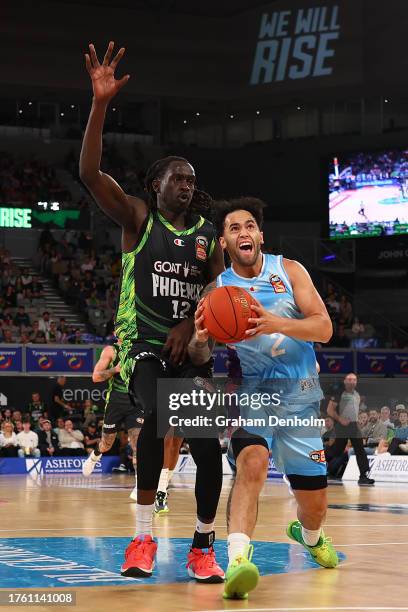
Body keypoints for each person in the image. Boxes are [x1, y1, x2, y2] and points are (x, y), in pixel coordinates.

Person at [80, 41, 225, 582]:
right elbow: (91, 173)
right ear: (155, 184)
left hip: (191, 351)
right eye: (178, 178)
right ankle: (141, 539)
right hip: (142, 343)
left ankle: (202, 547)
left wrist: (194, 322)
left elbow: (215, 299)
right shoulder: (138, 219)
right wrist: (99, 105)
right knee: (158, 420)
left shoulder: (209, 237)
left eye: (192, 180)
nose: (188, 186)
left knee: (208, 452)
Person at [193, 197, 338, 600]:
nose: (244, 232)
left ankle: (309, 534)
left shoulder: (289, 270)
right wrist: (201, 339)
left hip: (301, 395)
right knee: (251, 464)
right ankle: (239, 559)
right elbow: (199, 355)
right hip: (252, 394)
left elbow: (324, 328)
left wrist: (277, 323)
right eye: (234, 228)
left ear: (260, 235)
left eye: (250, 226)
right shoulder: (216, 290)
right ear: (223, 242)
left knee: (315, 505)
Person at [82, 342, 143, 504]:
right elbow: (95, 376)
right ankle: (95, 456)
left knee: (138, 444)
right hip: (116, 402)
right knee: (106, 444)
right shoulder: (111, 350)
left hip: (136, 403)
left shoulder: (141, 347)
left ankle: (140, 485)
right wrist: (114, 370)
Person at [327, 373, 375, 485]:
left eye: (354, 380)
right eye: (349, 379)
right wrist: (340, 419)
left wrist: (357, 424)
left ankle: (364, 476)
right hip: (341, 426)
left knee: (360, 450)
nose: (351, 382)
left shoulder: (357, 395)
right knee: (336, 451)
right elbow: (330, 410)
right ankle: (314, 460)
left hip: (353, 426)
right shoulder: (338, 393)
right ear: (344, 381)